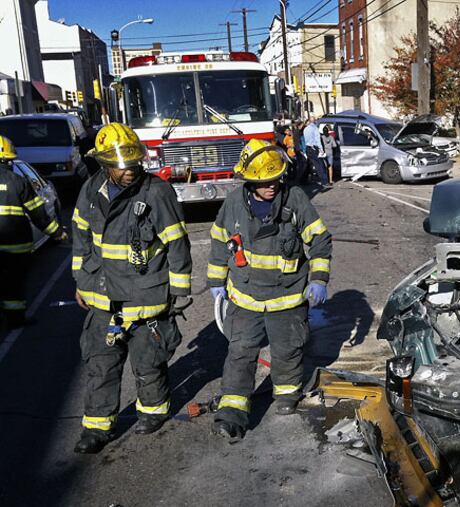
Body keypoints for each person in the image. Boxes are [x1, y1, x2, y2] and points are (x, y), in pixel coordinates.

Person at [71, 123, 192, 454]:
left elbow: (177, 243)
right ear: (106, 165)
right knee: (100, 363)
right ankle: (96, 428)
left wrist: (179, 292)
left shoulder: (157, 192)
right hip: (103, 296)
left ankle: (153, 411)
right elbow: (81, 237)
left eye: (134, 163)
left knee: (148, 361)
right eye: (122, 165)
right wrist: (81, 282)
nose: (130, 170)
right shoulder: (90, 190)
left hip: (145, 296)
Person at [207, 139, 332, 440]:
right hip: (246, 297)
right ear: (249, 180)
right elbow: (219, 241)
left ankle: (287, 395)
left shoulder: (296, 200)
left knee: (288, 349)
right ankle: (232, 413)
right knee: (240, 352)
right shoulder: (234, 204)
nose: (271, 186)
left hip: (287, 297)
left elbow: (319, 240)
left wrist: (318, 279)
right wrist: (215, 282)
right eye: (264, 182)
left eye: (276, 179)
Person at [0, 136, 66, 328]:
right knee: (14, 284)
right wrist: (57, 233)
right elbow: (38, 214)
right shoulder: (17, 181)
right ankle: (15, 320)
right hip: (16, 246)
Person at [303, 118, 329, 186]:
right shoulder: (315, 128)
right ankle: (324, 181)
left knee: (311, 164)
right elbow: (318, 140)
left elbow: (305, 139)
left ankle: (306, 179)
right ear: (315, 121)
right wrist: (321, 149)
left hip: (308, 148)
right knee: (320, 165)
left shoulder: (306, 129)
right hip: (314, 148)